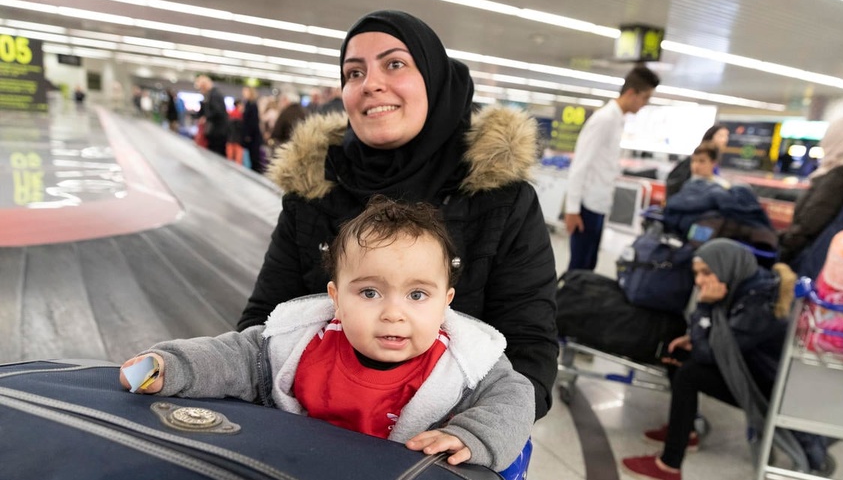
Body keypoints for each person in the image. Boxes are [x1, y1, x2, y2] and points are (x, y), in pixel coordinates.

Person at [238, 9, 559, 420]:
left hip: (443, 441)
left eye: (394, 64)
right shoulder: (316, 191)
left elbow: (529, 351)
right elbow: (264, 323)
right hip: (315, 427)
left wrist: (468, 434)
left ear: (434, 79)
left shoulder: (499, 200)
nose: (370, 84)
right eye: (353, 73)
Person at [119, 197, 534, 471]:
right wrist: (170, 367)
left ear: (446, 302)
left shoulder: (464, 366)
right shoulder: (299, 343)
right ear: (336, 298)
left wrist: (472, 435)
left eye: (418, 294)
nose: (393, 313)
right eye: (369, 292)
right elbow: (237, 356)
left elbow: (515, 396)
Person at [621, 239, 792, 480]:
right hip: (745, 369)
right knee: (678, 351)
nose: (699, 281)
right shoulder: (745, 286)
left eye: (706, 273)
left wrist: (703, 307)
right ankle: (686, 430)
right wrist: (695, 336)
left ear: (727, 266)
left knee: (689, 374)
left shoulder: (759, 303)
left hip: (761, 388)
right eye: (697, 274)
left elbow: (710, 354)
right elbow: (723, 341)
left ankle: (669, 465)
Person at [564, 64, 660, 270]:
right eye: (645, 98)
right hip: (586, 207)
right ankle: (569, 302)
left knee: (589, 264)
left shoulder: (618, 120)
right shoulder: (604, 119)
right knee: (579, 267)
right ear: (631, 93)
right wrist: (572, 210)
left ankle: (581, 300)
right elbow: (580, 165)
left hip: (598, 204)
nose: (645, 104)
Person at [780, 117, 843, 265]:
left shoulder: (838, 177)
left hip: (812, 259)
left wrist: (782, 250)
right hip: (840, 259)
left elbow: (810, 224)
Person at [666, 124, 730, 200]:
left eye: (726, 136)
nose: (725, 139)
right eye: (721, 136)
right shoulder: (691, 163)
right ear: (710, 137)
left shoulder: (719, 181)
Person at [195, 75, 228, 157]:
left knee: (216, 154)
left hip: (218, 132)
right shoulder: (213, 94)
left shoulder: (214, 95)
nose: (201, 91)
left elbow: (218, 112)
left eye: (201, 88)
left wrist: (206, 118)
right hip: (217, 131)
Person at [241, 86, 264, 173]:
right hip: (251, 136)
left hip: (253, 137)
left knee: (254, 158)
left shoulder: (252, 105)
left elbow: (253, 122)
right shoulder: (248, 104)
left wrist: (248, 135)